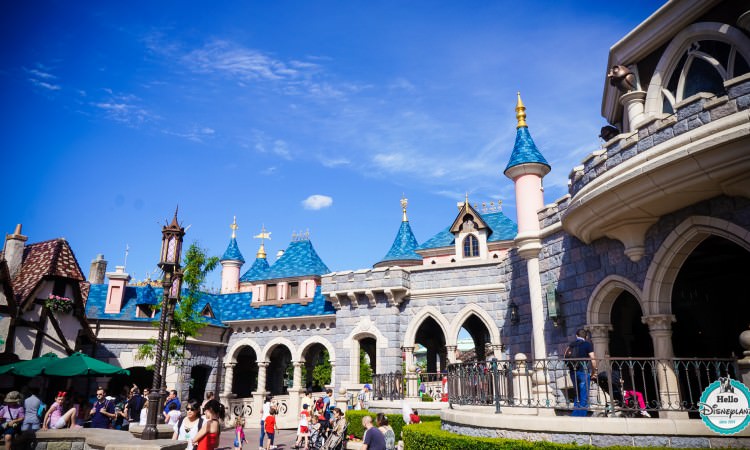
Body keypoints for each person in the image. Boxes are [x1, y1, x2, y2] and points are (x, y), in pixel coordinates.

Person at [566, 329, 597, 417]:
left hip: (573, 371)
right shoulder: (587, 344)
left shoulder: (571, 345)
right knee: (584, 395)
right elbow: (593, 359)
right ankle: (579, 417)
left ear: (576, 335)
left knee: (577, 393)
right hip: (583, 371)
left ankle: (575, 415)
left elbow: (565, 357)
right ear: (586, 337)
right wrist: (594, 371)